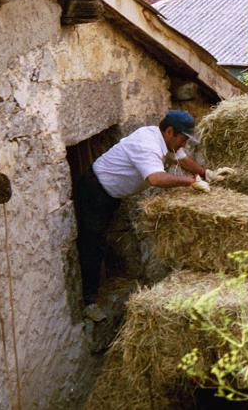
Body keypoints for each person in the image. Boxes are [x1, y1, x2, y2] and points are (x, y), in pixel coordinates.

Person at [73, 109, 233, 308]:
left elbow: (183, 159)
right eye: (183, 138)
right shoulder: (147, 144)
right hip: (94, 191)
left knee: (100, 239)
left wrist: (207, 173)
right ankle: (90, 301)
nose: (184, 144)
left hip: (110, 193)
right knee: (93, 244)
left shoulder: (167, 141)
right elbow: (156, 178)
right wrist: (190, 182)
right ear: (170, 132)